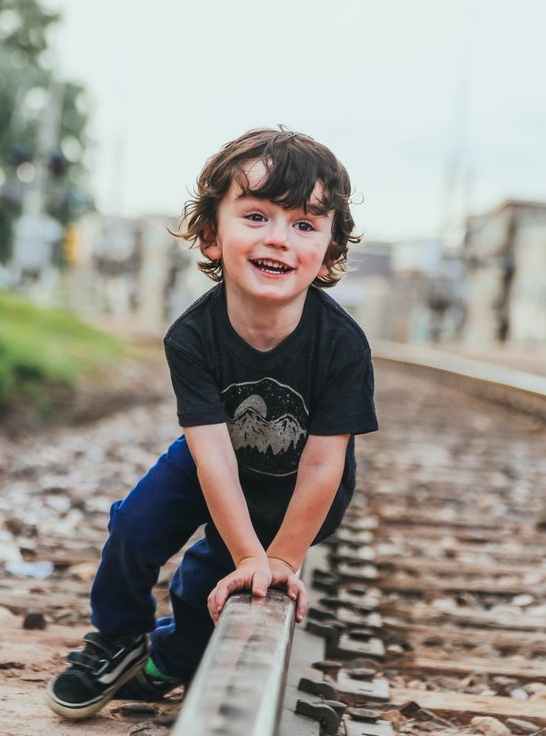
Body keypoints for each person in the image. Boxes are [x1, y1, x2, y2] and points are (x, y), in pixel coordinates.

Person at [45, 127, 378, 719]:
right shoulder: (192, 337)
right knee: (133, 526)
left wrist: (274, 560)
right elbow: (211, 456)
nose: (279, 238)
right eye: (256, 216)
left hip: (294, 486)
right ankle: (117, 638)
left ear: (328, 251)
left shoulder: (342, 346)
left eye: (304, 225)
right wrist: (250, 555)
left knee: (207, 582)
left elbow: (327, 464)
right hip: (217, 455)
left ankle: (167, 662)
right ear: (210, 235)